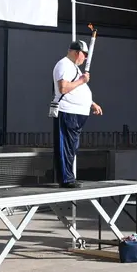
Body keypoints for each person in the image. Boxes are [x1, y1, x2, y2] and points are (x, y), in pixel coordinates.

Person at [51, 40, 103, 189]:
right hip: (67, 111)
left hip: (76, 113)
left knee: (71, 147)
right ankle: (66, 178)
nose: (85, 58)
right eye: (84, 54)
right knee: (65, 146)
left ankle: (69, 177)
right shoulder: (64, 64)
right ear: (76, 52)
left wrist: (91, 103)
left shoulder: (73, 67)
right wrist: (82, 80)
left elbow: (77, 90)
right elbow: (64, 88)